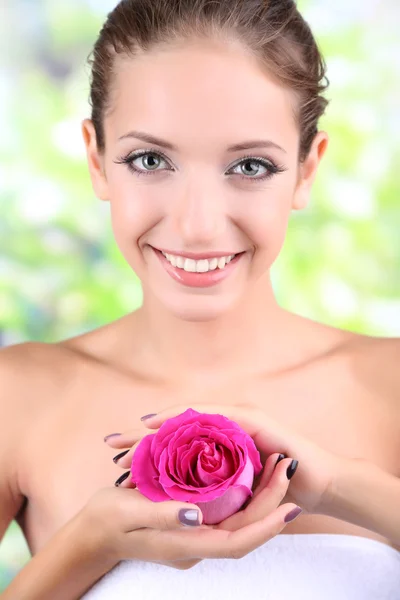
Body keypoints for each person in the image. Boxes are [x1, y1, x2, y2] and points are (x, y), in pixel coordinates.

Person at [1, 0, 399, 598]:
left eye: (251, 165)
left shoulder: (389, 384)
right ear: (96, 159)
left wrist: (342, 486)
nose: (197, 226)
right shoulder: (18, 397)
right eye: (150, 159)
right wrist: (89, 544)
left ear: (307, 172)